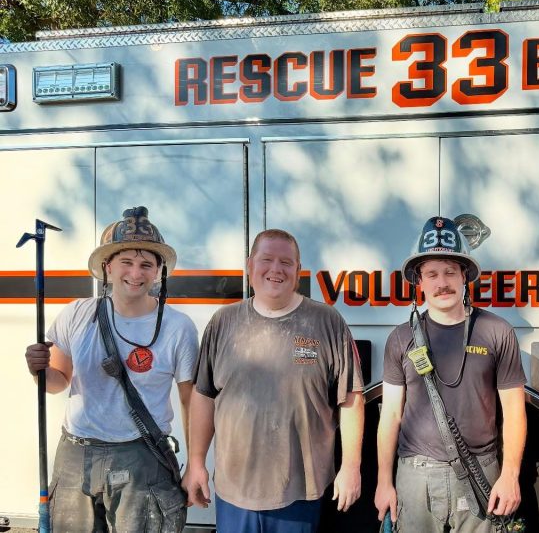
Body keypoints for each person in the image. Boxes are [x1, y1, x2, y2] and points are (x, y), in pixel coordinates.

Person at [24, 206, 198, 532]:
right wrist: (37, 370)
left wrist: (195, 465)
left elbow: (192, 401)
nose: (136, 272)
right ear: (108, 266)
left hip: (142, 455)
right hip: (77, 455)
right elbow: (57, 381)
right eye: (126, 262)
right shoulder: (76, 314)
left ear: (159, 270)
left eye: (147, 263)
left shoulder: (178, 327)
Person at [182, 228, 364, 532]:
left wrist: (351, 467)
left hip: (300, 493)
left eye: (286, 262)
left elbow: (351, 398)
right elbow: (204, 395)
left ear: (298, 271)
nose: (275, 269)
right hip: (235, 490)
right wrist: (197, 462)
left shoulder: (327, 322)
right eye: (266, 259)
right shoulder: (223, 322)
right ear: (249, 265)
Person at [374, 216, 527, 532]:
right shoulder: (400, 338)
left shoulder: (497, 331)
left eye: (449, 272)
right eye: (431, 274)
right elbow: (389, 415)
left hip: (481, 471)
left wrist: (510, 475)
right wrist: (383, 482)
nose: (441, 282)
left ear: (464, 276)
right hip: (415, 477)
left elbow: (514, 412)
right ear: (419, 280)